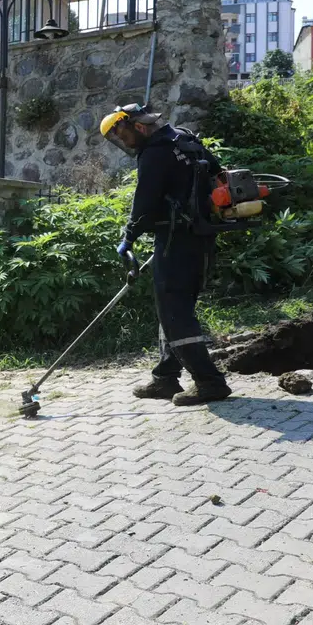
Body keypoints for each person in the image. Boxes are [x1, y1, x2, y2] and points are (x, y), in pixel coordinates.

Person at [100, 103, 232, 406]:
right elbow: (217, 172)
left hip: (177, 240)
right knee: (174, 307)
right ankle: (165, 377)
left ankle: (209, 382)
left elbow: (145, 202)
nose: (124, 143)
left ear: (138, 126)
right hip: (201, 237)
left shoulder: (155, 152)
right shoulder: (185, 139)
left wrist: (128, 236)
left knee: (175, 310)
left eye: (123, 135)